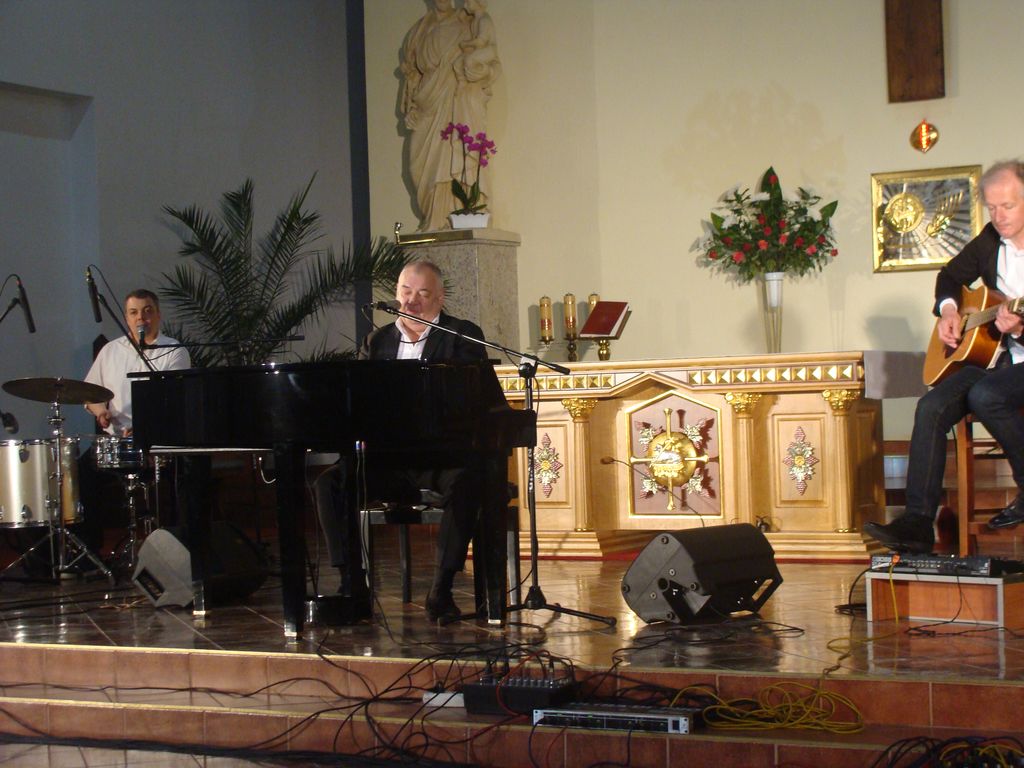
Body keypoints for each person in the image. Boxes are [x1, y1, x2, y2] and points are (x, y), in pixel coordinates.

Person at [314, 260, 488, 622]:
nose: (411, 302)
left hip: (440, 457)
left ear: (439, 298)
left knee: (469, 480)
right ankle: (352, 584)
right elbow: (358, 402)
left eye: (422, 293)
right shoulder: (376, 342)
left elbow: (471, 401)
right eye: (405, 292)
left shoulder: (461, 336)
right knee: (329, 483)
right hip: (388, 458)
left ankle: (441, 589)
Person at [865, 161, 1024, 553]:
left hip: (1012, 365)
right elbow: (950, 276)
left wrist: (1020, 329)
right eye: (992, 207)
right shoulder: (990, 241)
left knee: (986, 395)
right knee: (931, 406)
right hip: (995, 361)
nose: (998, 216)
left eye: (1008, 206)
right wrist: (950, 311)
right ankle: (918, 524)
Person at [77, 289, 191, 557]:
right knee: (80, 473)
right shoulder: (110, 351)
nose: (141, 317)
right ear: (126, 318)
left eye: (147, 311)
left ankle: (180, 547)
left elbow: (173, 400)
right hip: (116, 442)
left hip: (158, 442)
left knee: (186, 476)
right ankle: (91, 550)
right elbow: (89, 393)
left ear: (158, 315)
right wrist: (101, 411)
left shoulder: (174, 350)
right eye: (134, 312)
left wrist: (146, 426)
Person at [400, 0, 472, 231]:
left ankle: (448, 216)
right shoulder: (419, 31)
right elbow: (412, 76)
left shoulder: (465, 25)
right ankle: (431, 216)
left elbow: (478, 65)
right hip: (426, 103)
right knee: (416, 167)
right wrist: (411, 108)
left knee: (449, 157)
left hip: (451, 100)